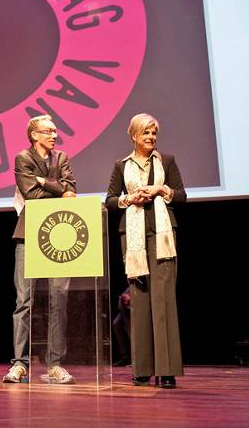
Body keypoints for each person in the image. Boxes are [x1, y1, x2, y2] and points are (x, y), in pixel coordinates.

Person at [106, 113, 186, 388]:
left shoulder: (167, 161)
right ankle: (141, 369)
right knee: (139, 300)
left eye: (154, 133)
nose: (151, 138)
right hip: (133, 236)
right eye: (146, 134)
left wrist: (162, 189)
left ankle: (166, 370)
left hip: (162, 235)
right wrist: (130, 198)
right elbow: (110, 200)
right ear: (134, 136)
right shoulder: (121, 166)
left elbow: (182, 196)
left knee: (163, 301)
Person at [3, 114, 76, 384]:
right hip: (28, 235)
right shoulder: (23, 158)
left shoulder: (62, 158)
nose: (54, 135)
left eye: (55, 131)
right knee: (24, 302)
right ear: (34, 135)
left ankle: (55, 364)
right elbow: (30, 196)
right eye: (48, 131)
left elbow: (71, 188)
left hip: (58, 235)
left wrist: (43, 182)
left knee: (59, 299)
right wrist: (55, 188)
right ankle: (20, 364)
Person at [112, 287, 131, 367]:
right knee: (116, 324)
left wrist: (131, 297)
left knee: (129, 327)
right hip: (125, 307)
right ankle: (125, 357)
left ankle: (135, 358)